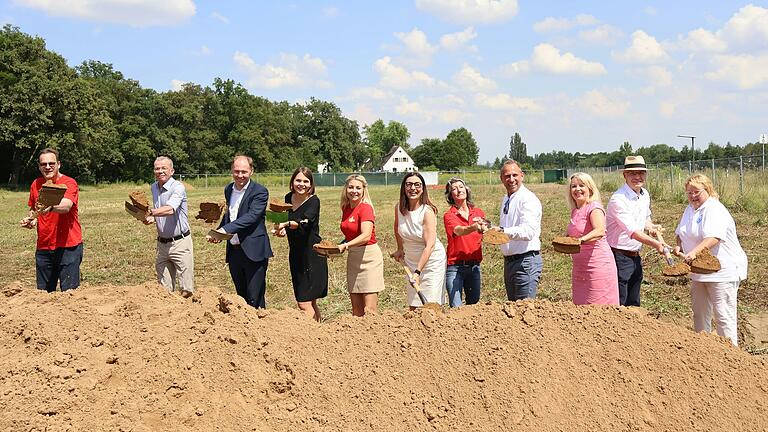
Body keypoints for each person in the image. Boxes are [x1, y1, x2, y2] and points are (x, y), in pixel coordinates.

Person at [674, 174, 748, 346]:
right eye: (689, 192)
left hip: (722, 271)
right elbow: (680, 232)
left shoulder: (715, 209)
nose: (692, 196)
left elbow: (714, 237)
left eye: (696, 192)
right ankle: (704, 353)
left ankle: (731, 356)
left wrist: (693, 252)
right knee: (699, 314)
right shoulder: (690, 209)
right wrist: (679, 246)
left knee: (723, 316)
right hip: (698, 272)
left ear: (707, 190)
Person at [207, 155, 273, 308]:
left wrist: (226, 229)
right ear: (232, 171)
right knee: (240, 296)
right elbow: (230, 215)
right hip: (235, 251)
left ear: (251, 171)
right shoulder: (228, 189)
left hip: (254, 250)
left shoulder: (260, 192)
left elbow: (251, 217)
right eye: (236, 171)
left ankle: (260, 326)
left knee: (254, 297)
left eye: (244, 171)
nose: (240, 175)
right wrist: (219, 233)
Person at [606, 155, 667, 307]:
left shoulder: (644, 194)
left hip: (635, 255)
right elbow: (632, 231)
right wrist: (656, 244)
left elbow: (645, 218)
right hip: (619, 255)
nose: (637, 177)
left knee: (633, 301)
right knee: (619, 301)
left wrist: (651, 227)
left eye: (641, 173)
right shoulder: (618, 200)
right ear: (624, 175)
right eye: (633, 173)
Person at [20, 148, 83, 292]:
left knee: (70, 294)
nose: (47, 167)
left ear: (59, 164)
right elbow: (34, 209)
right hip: (44, 247)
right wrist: (32, 220)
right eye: (44, 164)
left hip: (68, 247)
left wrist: (50, 208)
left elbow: (66, 206)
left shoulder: (69, 183)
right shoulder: (36, 184)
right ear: (39, 166)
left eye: (51, 163)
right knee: (43, 295)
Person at [273, 167, 328, 321]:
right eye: (298, 180)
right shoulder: (288, 198)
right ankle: (320, 336)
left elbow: (305, 222)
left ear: (311, 184)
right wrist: (280, 230)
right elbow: (281, 220)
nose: (301, 184)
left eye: (305, 181)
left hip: (312, 255)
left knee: (303, 303)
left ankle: (310, 337)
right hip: (296, 255)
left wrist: (286, 224)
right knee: (310, 302)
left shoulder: (314, 201)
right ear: (292, 182)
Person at [393, 172, 447, 309]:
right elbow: (397, 228)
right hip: (411, 260)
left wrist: (417, 272)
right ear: (404, 188)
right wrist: (400, 249)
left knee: (430, 304)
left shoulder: (427, 212)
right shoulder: (399, 208)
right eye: (409, 184)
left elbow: (430, 245)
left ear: (422, 189)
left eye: (417, 185)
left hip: (431, 261)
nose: (413, 188)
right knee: (414, 304)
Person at [565, 172, 619, 305]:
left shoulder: (594, 208)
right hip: (579, 267)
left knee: (598, 306)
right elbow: (574, 234)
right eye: (573, 186)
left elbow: (600, 230)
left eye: (581, 185)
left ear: (590, 188)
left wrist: (580, 241)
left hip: (597, 266)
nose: (577, 189)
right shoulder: (575, 210)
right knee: (582, 306)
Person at [144, 156, 194, 297]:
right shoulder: (154, 187)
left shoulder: (178, 187)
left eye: (163, 168)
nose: (160, 171)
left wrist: (152, 213)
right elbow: (160, 210)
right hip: (162, 244)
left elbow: (170, 209)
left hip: (180, 243)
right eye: (157, 168)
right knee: (164, 291)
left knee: (186, 289)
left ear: (172, 171)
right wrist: (151, 219)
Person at [338, 174, 385, 316]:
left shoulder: (365, 208)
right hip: (354, 258)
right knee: (356, 310)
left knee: (369, 310)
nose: (354, 191)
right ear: (345, 189)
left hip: (369, 257)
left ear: (364, 190)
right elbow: (350, 234)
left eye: (358, 188)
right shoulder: (346, 208)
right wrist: (338, 246)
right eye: (351, 187)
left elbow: (365, 236)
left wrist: (346, 245)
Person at [496, 159, 542, 301]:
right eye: (507, 176)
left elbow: (528, 232)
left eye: (515, 175)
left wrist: (502, 231)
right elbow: (509, 225)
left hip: (525, 261)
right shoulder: (507, 198)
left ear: (522, 175)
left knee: (524, 309)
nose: (511, 180)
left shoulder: (528, 199)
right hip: (510, 262)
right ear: (501, 179)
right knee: (514, 310)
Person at [443, 177, 487, 307]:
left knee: (473, 306)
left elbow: (486, 229)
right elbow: (458, 231)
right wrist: (473, 227)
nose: (458, 190)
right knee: (456, 308)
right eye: (454, 189)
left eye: (461, 187)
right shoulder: (449, 215)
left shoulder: (478, 212)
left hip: (474, 266)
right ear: (451, 195)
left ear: (466, 190)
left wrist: (485, 227)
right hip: (455, 267)